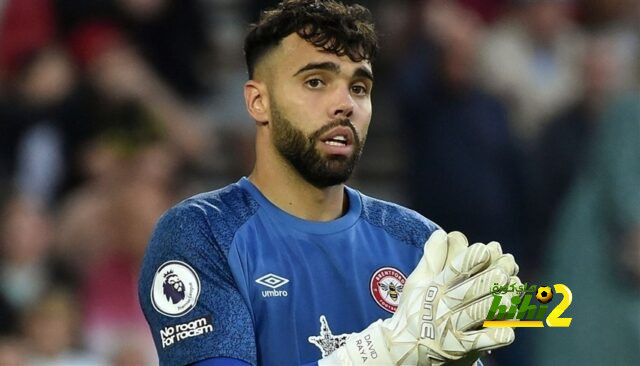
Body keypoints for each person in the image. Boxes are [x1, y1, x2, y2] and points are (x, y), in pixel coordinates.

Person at [138, 1, 522, 365]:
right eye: (316, 81)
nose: (345, 104)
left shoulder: (419, 242)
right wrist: (380, 354)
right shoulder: (203, 233)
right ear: (259, 102)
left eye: (359, 88)